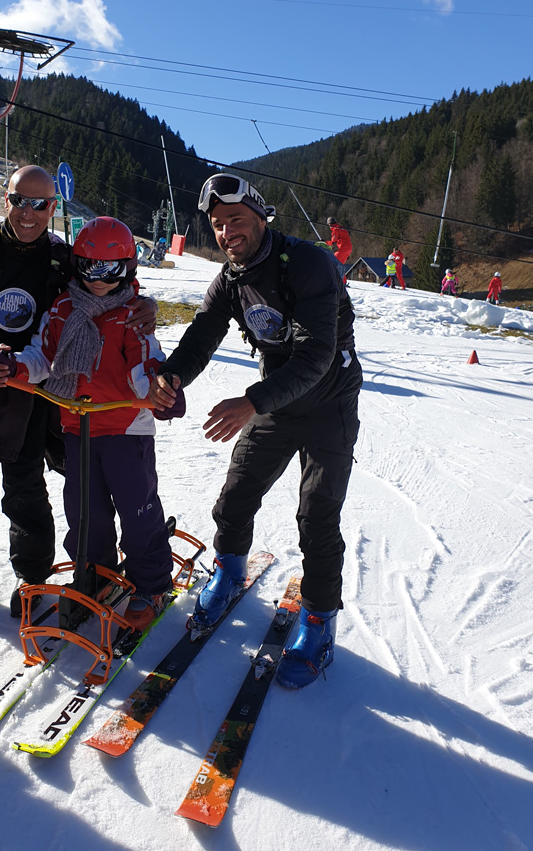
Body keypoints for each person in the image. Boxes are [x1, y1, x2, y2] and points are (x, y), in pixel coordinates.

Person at [149, 174, 362, 689]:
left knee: (316, 516)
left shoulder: (308, 263)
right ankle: (228, 570)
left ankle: (317, 621)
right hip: (277, 399)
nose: (226, 232)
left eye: (236, 220)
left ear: (262, 217)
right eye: (218, 224)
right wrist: (171, 378)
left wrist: (252, 402)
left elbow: (315, 356)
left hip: (328, 402)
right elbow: (202, 335)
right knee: (238, 490)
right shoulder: (229, 280)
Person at [0, 166, 156, 623]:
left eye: (41, 204)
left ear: (53, 207)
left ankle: (33, 577)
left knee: (25, 487)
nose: (29, 212)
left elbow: (107, 286)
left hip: (28, 387)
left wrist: (145, 303)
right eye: (20, 201)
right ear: (5, 200)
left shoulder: (62, 257)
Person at [11, 217, 175, 631]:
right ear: (76, 265)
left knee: (137, 508)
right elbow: (41, 355)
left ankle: (152, 583)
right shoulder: (63, 308)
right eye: (88, 268)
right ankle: (96, 572)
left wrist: (155, 389)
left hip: (124, 429)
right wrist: (16, 367)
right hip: (76, 426)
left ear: (127, 268)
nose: (98, 279)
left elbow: (145, 361)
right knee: (85, 511)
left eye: (110, 270)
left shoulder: (131, 315)